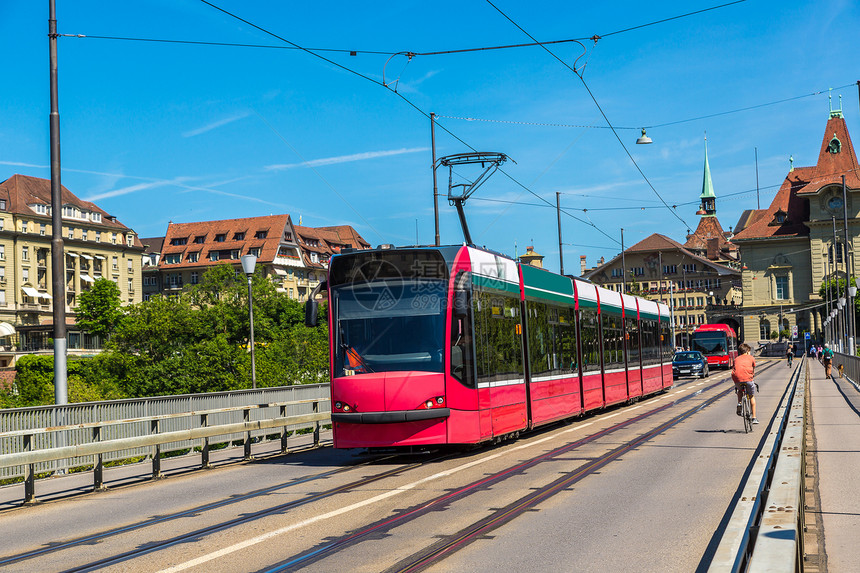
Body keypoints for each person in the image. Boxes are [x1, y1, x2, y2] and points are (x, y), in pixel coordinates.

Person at [731, 342, 758, 424]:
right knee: (751, 396)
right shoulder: (751, 358)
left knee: (739, 391)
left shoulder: (736, 359)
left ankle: (739, 403)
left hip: (737, 380)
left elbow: (734, 369)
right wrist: (752, 376)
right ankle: (754, 418)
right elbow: (753, 368)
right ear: (747, 351)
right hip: (748, 380)